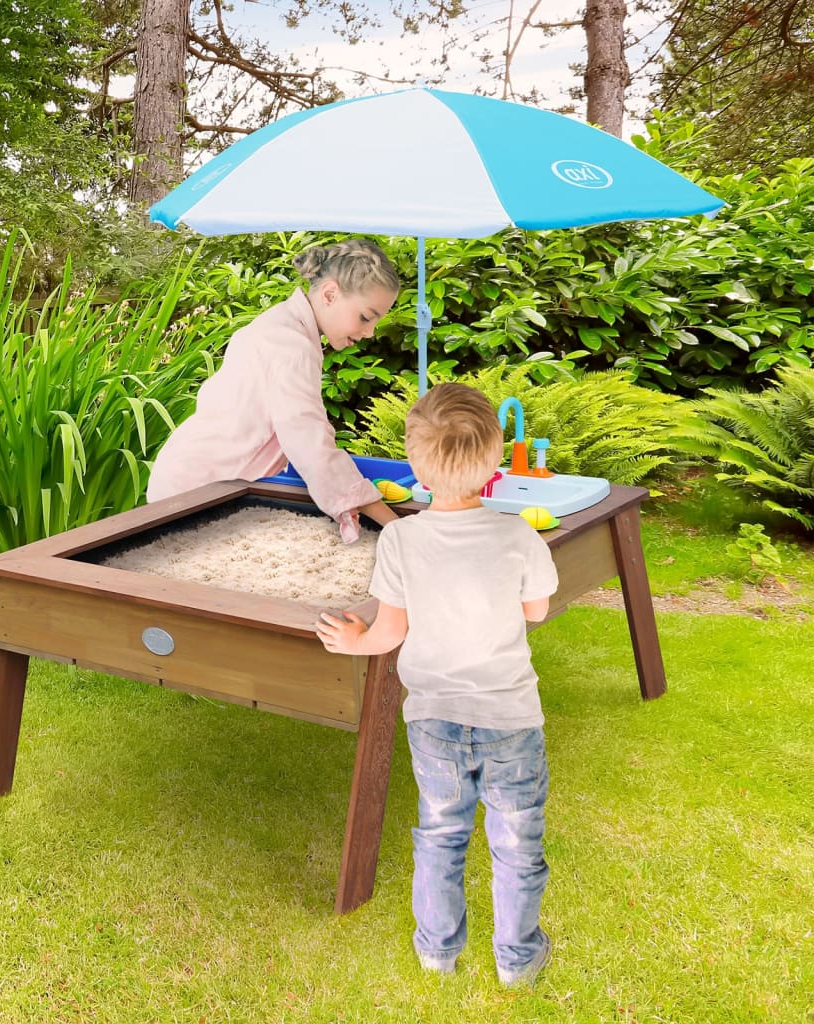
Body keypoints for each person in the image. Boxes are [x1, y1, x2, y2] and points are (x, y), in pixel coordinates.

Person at [315, 382, 559, 986]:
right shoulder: (519, 537)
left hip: (434, 722)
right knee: (517, 844)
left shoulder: (400, 538)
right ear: (495, 466)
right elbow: (537, 612)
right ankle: (517, 961)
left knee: (442, 835)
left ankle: (438, 951)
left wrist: (352, 641)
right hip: (510, 719)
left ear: (416, 467)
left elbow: (386, 634)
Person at [146, 238, 401, 541]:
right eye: (366, 317)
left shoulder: (284, 325)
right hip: (196, 488)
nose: (370, 331)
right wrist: (392, 523)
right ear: (330, 294)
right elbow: (309, 441)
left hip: (192, 477)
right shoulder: (290, 346)